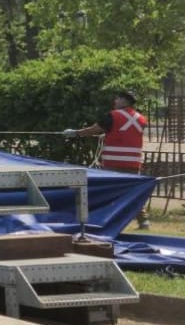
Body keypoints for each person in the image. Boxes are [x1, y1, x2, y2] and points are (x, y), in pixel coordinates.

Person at [64, 90, 151, 228]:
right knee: (133, 192)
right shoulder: (141, 118)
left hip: (114, 162)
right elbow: (125, 134)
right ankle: (144, 221)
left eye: (118, 99)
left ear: (124, 101)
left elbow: (95, 129)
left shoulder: (113, 115)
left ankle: (105, 219)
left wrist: (76, 133)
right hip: (134, 163)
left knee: (108, 191)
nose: (115, 101)